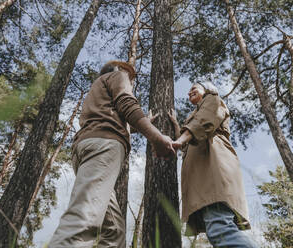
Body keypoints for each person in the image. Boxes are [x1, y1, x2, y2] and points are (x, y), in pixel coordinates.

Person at [49, 61, 175, 248]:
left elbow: (115, 117)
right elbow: (126, 102)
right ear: (120, 70)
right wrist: (155, 136)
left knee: (113, 231)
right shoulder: (118, 76)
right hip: (103, 147)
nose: (131, 80)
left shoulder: (97, 88)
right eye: (130, 76)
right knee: (85, 217)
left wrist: (141, 124)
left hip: (86, 147)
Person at [168, 78, 257, 247]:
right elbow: (191, 134)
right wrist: (175, 125)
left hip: (215, 171)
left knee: (220, 230)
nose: (189, 92)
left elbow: (204, 121)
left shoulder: (213, 100)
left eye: (194, 88)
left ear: (207, 89)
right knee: (217, 229)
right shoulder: (194, 116)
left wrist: (179, 141)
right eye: (188, 91)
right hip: (204, 179)